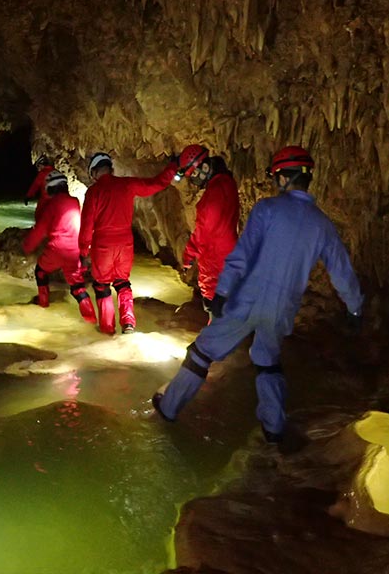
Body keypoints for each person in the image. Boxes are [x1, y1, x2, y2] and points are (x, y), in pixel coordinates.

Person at [152, 145, 364, 445]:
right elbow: (342, 271)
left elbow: (241, 255)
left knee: (202, 352)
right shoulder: (322, 225)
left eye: (276, 176)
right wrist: (355, 309)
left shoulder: (267, 209)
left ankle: (170, 407)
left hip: (248, 300)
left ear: (283, 178)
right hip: (283, 309)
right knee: (267, 361)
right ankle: (274, 427)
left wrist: (223, 291)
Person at [79, 151, 179, 335]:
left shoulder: (94, 192)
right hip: (125, 243)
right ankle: (128, 323)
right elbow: (156, 183)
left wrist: (83, 250)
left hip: (103, 245)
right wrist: (172, 167)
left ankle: (108, 329)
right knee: (122, 283)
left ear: (94, 172)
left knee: (102, 286)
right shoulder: (127, 184)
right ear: (110, 168)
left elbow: (86, 225)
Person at [22, 170, 97, 323]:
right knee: (77, 287)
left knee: (41, 271)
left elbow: (40, 230)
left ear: (51, 188)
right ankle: (91, 319)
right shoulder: (75, 201)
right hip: (75, 251)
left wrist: (27, 247)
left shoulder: (52, 205)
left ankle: (43, 303)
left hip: (56, 250)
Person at [175, 145, 241, 316]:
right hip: (229, 256)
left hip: (215, 262)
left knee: (215, 311)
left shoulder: (215, 192)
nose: (194, 179)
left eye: (193, 174)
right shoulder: (227, 183)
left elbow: (203, 233)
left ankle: (213, 341)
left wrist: (188, 257)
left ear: (204, 167)